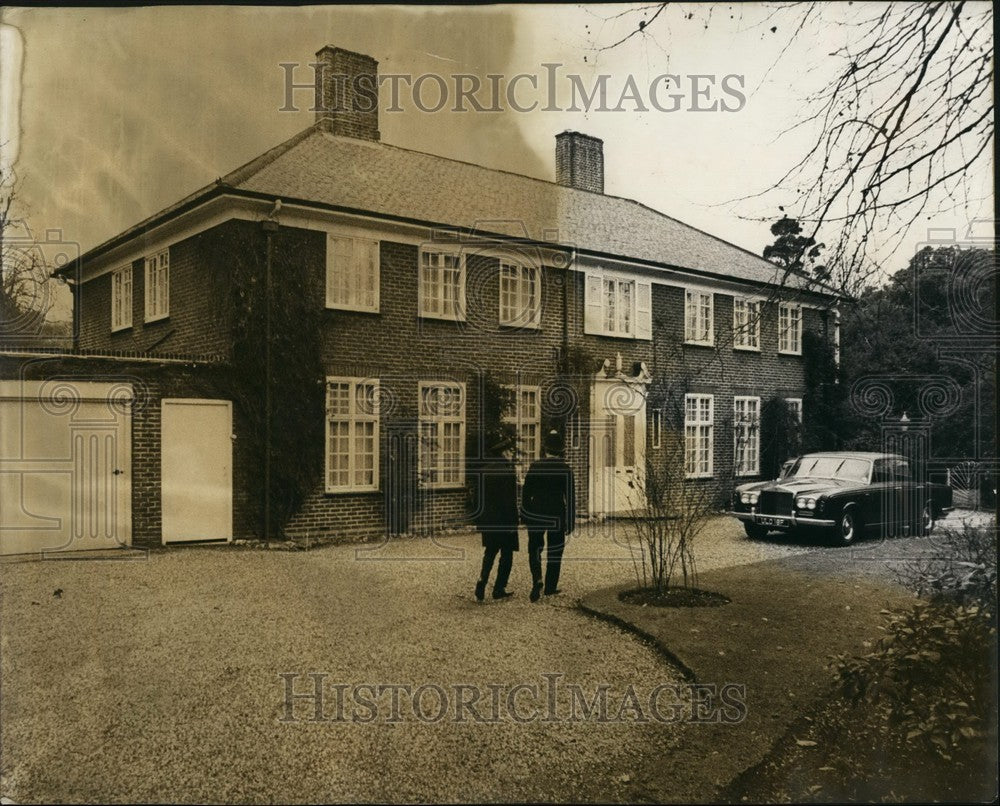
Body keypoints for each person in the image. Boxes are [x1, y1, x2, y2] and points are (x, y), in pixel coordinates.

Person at [521, 429, 576, 602]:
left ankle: (537, 579)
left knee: (534, 548)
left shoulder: (535, 466)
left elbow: (526, 492)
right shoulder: (566, 469)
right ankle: (550, 586)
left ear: (545, 449)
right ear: (561, 450)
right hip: (556, 514)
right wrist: (570, 521)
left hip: (536, 513)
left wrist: (525, 513)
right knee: (555, 550)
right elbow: (571, 498)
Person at [469, 440, 519, 602]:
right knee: (507, 555)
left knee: (489, 552)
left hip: (490, 521)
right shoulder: (508, 472)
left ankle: (481, 582)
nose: (512, 455)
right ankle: (499, 588)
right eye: (510, 452)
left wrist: (481, 520)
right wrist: (514, 523)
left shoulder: (484, 471)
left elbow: (477, 500)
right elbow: (509, 501)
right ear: (504, 453)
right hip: (505, 521)